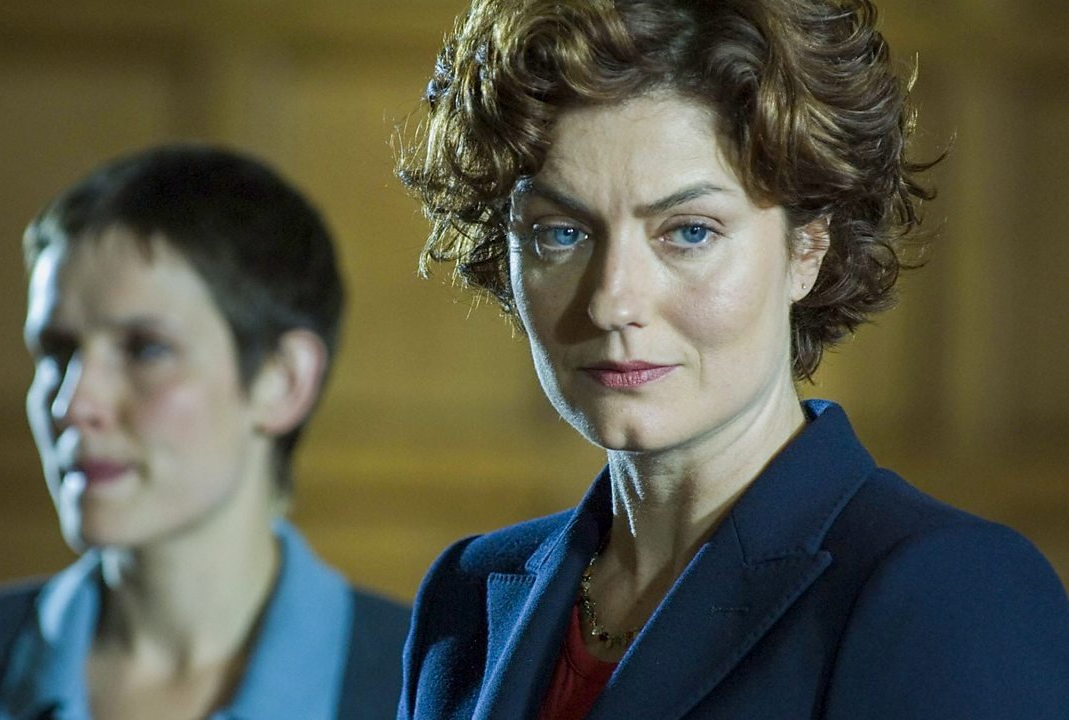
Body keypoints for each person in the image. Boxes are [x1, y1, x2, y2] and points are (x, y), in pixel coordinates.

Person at [395, 1, 1069, 718]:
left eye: (689, 231)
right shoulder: (466, 596)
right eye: (561, 233)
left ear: (808, 249)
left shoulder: (949, 591)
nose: (613, 302)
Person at [0, 144, 409, 719]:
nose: (73, 404)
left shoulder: (429, 689)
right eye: (56, 352)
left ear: (282, 382)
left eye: (146, 350)